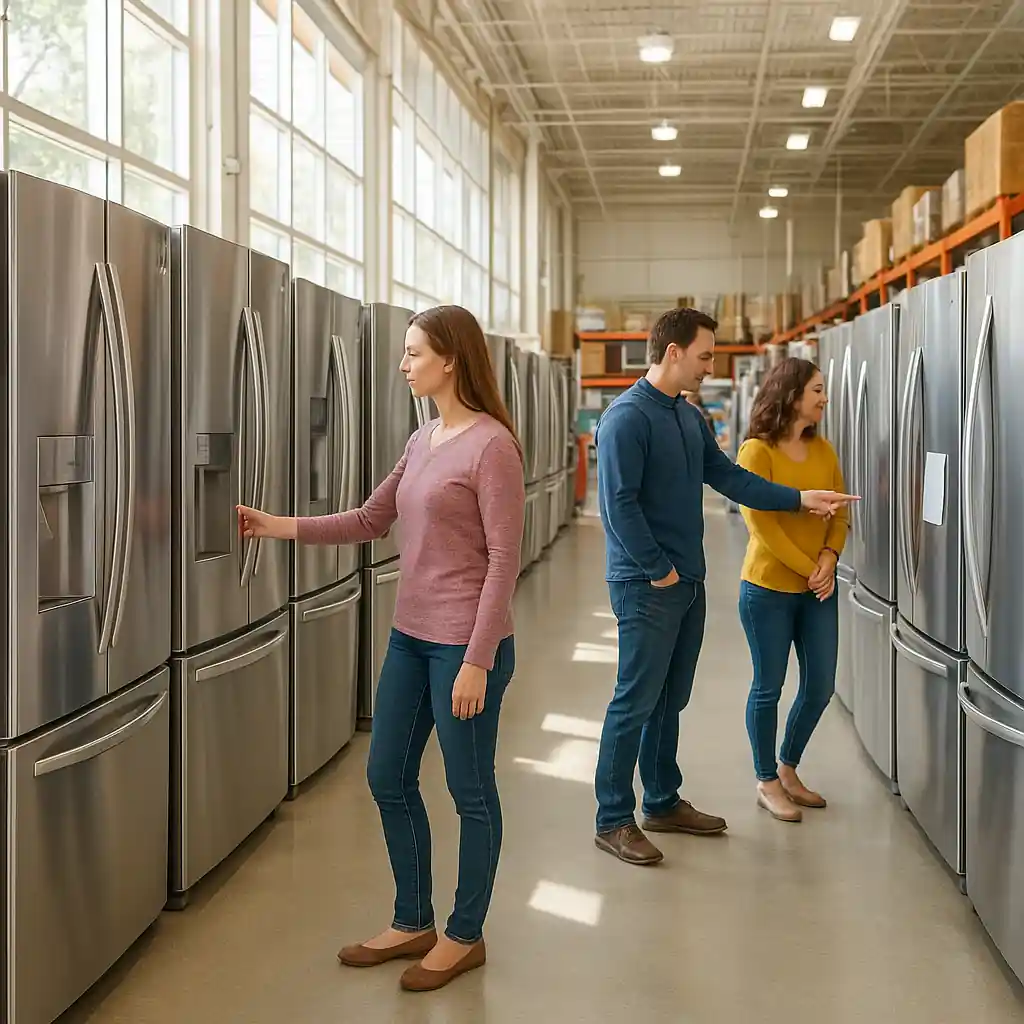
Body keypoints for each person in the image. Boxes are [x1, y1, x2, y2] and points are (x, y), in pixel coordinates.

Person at [236, 305, 524, 992]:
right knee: (387, 776)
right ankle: (412, 919)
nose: (403, 364)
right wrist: (274, 525)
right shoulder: (423, 438)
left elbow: (505, 560)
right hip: (411, 635)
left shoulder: (492, 447)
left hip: (464, 646)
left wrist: (479, 659)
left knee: (469, 789)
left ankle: (464, 934)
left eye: (413, 353)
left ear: (450, 359)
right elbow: (370, 519)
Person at [592, 308, 857, 866]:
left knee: (672, 699)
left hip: (687, 580)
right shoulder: (625, 418)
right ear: (672, 352)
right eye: (705, 355)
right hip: (647, 584)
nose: (710, 367)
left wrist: (800, 499)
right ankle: (612, 817)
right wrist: (658, 568)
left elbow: (729, 477)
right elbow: (617, 505)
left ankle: (661, 801)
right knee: (635, 700)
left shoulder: (688, 417)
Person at [736, 357, 847, 823]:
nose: (824, 398)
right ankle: (766, 781)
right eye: (817, 390)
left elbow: (840, 510)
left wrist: (829, 559)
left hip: (817, 586)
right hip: (768, 590)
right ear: (792, 393)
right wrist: (810, 569)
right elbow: (761, 525)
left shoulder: (823, 449)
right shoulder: (756, 452)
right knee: (768, 686)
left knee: (820, 684)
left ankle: (788, 767)